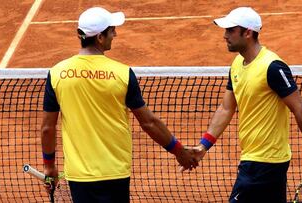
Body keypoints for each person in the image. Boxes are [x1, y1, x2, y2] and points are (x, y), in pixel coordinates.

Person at [41, 7, 197, 203]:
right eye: (112, 30)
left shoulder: (57, 74)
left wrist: (49, 166)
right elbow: (149, 123)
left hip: (79, 176)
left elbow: (48, 128)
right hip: (115, 173)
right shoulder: (122, 74)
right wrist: (179, 152)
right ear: (99, 37)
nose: (115, 34)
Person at [188, 7, 302, 203]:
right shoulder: (237, 63)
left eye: (230, 30)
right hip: (255, 158)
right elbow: (226, 109)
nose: (224, 35)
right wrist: (204, 146)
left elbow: (299, 109)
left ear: (247, 33)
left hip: (264, 162)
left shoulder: (272, 67)